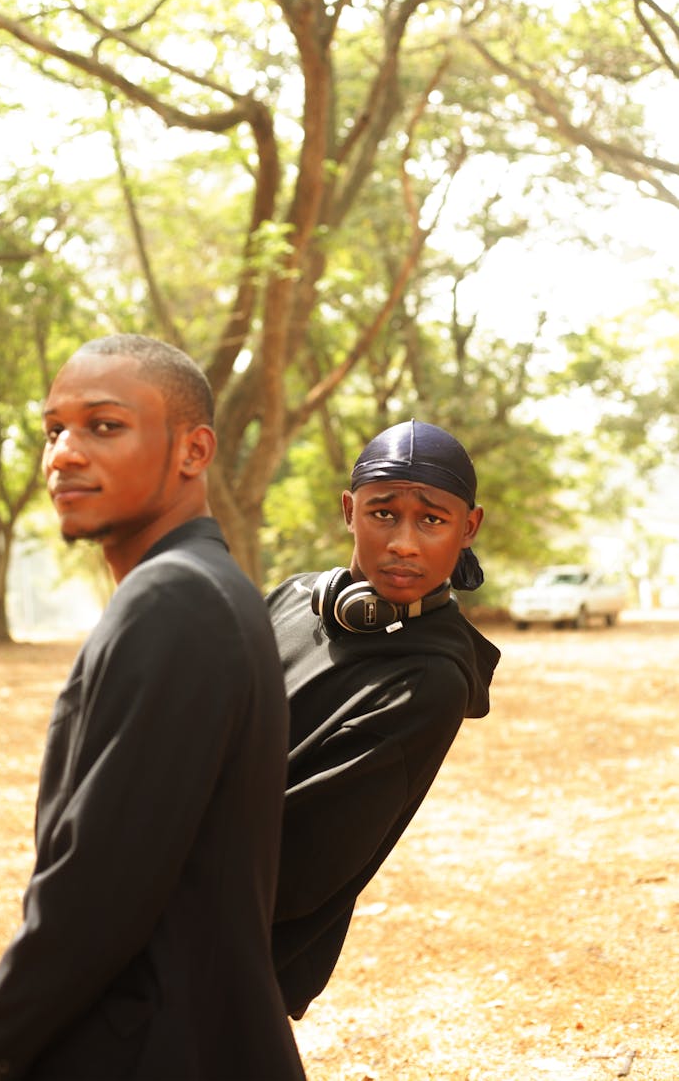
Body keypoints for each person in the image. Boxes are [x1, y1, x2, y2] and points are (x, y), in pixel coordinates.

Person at [0, 335, 305, 1081]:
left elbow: (93, 902)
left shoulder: (176, 600)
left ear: (192, 451)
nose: (64, 453)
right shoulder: (206, 585)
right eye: (53, 430)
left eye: (104, 426)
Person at [268, 419, 501, 1019]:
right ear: (349, 510)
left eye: (432, 519)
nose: (403, 542)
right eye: (382, 513)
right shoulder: (293, 599)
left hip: (234, 963)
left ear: (467, 527)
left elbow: (294, 870)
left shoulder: (430, 680)